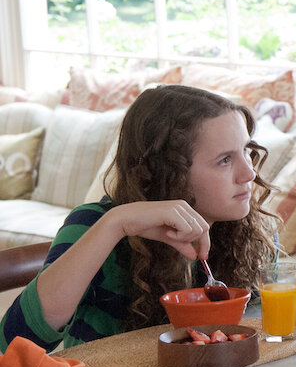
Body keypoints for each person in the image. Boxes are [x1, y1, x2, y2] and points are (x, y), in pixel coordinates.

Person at [1, 85, 277, 352]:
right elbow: (13, 343)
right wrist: (116, 224)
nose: (249, 173)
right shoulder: (94, 224)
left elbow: (269, 335)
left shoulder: (252, 231)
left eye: (246, 150)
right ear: (168, 172)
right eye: (224, 160)